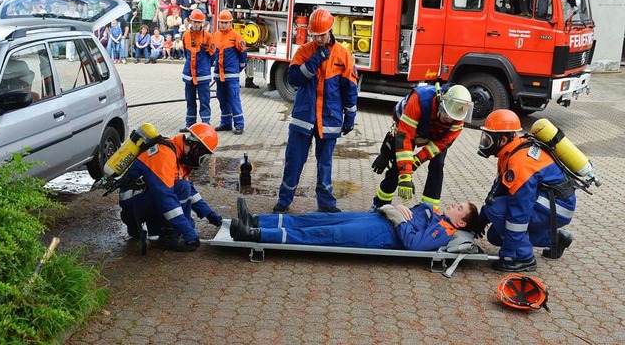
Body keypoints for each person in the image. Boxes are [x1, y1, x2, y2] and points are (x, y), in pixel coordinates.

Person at [273, 8, 357, 214]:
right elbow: (294, 79)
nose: (318, 38)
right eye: (314, 35)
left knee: (325, 163)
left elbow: (350, 89)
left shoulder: (343, 55)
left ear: (330, 30)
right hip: (304, 117)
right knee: (294, 159)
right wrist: (314, 60)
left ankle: (326, 202)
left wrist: (350, 116)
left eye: (322, 34)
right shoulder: (303, 52)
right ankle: (284, 200)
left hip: (329, 117)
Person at [475, 109, 576, 272]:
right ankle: (555, 239)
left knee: (496, 211)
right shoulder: (510, 151)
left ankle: (525, 258)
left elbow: (519, 212)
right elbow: (499, 190)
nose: (485, 143)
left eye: (489, 139)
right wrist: (481, 220)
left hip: (557, 208)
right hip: (550, 202)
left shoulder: (520, 163)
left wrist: (508, 254)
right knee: (494, 235)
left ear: (503, 138)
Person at [118, 123, 223, 252]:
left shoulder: (178, 154)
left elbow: (190, 191)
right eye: (203, 157)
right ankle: (168, 233)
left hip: (146, 198)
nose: (201, 161)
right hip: (132, 205)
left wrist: (209, 213)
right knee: (179, 191)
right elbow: (165, 198)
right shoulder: (164, 155)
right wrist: (188, 233)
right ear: (197, 149)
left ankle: (164, 230)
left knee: (183, 187)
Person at [370, 84, 473, 212]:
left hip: (436, 136)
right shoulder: (420, 100)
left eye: (452, 118)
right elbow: (405, 137)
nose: (448, 120)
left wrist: (417, 161)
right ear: (441, 103)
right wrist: (405, 176)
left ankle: (429, 210)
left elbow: (441, 144)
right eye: (446, 114)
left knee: (438, 165)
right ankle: (379, 205)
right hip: (410, 129)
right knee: (398, 167)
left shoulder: (458, 114)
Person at [231, 198, 479, 251]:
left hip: (380, 235)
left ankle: (256, 234)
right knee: (318, 218)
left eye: (459, 208)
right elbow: (412, 213)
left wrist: (398, 217)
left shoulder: (444, 230)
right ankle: (257, 219)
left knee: (322, 233)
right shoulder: (434, 212)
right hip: (377, 219)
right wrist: (399, 207)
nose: (455, 204)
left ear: (461, 222)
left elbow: (414, 244)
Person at [211, 10, 247, 135]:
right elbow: (212, 53)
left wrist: (239, 68)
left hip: (231, 74)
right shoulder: (215, 35)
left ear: (230, 22)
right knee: (222, 98)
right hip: (219, 74)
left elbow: (243, 54)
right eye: (222, 22)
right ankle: (226, 123)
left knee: (234, 99)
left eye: (226, 23)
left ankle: (239, 124)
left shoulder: (236, 35)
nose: (223, 25)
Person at [181, 9, 215, 130]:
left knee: (204, 100)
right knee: (190, 100)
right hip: (189, 74)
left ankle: (205, 124)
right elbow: (186, 54)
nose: (196, 24)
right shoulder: (185, 35)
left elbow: (213, 55)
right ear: (190, 21)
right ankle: (190, 124)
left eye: (198, 22)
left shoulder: (208, 36)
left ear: (203, 23)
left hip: (203, 74)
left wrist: (204, 65)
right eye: (194, 21)